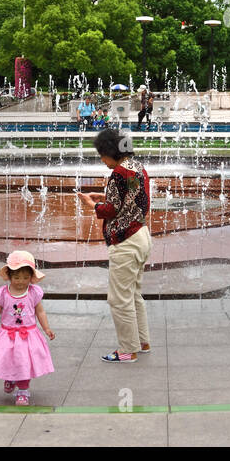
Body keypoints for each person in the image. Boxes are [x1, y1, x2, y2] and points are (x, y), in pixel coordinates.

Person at [78, 129, 153, 362]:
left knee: (119, 299)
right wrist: (103, 195)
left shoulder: (119, 173)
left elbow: (110, 210)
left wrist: (92, 204)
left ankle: (127, 350)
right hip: (141, 235)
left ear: (111, 151)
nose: (101, 159)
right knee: (133, 294)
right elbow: (130, 197)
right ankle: (142, 341)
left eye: (102, 154)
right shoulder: (137, 167)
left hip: (126, 242)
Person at [0, 250, 56, 406]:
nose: (21, 281)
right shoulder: (3, 293)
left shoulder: (33, 293)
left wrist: (46, 328)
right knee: (8, 359)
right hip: (7, 333)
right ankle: (10, 378)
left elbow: (40, 311)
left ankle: (23, 391)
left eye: (26, 278)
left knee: (24, 362)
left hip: (28, 334)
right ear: (10, 276)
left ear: (31, 278)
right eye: (17, 277)